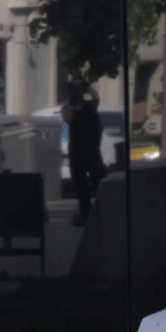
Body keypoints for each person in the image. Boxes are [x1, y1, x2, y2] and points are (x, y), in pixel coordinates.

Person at [64, 80, 106, 225]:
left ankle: (100, 211)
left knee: (99, 180)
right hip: (78, 152)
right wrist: (73, 101)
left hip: (91, 151)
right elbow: (67, 116)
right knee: (81, 188)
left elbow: (96, 98)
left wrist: (87, 86)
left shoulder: (90, 106)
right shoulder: (69, 109)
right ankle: (86, 215)